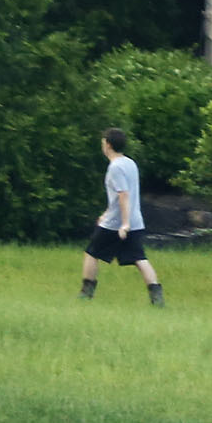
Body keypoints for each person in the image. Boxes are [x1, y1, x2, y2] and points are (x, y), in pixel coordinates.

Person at [81, 128, 163, 307]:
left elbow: (123, 195)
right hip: (134, 220)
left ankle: (86, 294)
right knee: (139, 258)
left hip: (116, 225)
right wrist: (108, 213)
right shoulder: (130, 163)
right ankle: (157, 297)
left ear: (108, 145)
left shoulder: (115, 167)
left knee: (91, 253)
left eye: (103, 142)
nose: (102, 145)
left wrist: (124, 224)